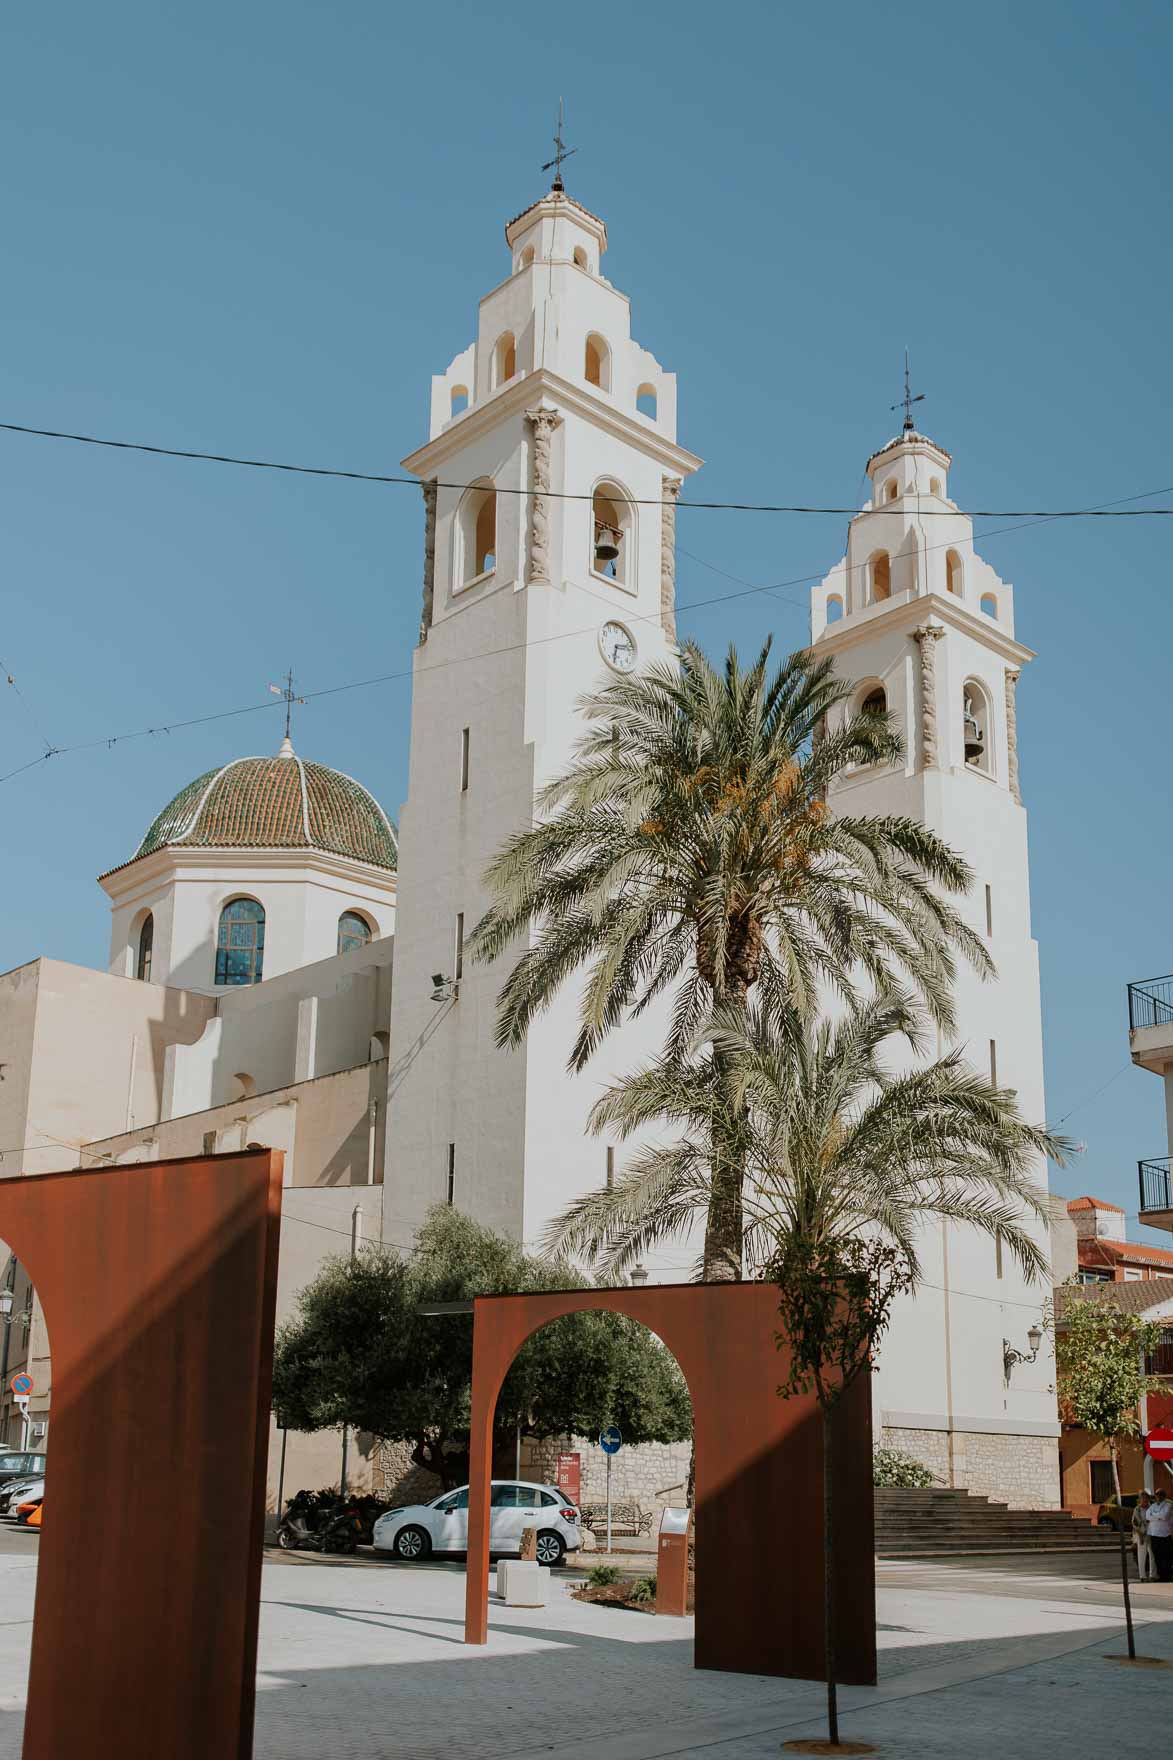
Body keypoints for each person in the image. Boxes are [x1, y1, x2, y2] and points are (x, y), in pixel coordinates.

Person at [1146, 1484, 1173, 1583]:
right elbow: (1148, 1516)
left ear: (1163, 1496)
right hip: (1154, 1534)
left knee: (1166, 1556)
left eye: (1160, 1494)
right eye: (1157, 1495)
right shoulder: (1152, 1506)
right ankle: (1161, 1575)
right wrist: (1158, 1517)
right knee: (1157, 1556)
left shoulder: (1168, 1505)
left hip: (1165, 1534)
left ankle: (1167, 1576)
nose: (1158, 1496)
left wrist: (1155, 1516)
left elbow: (1165, 1516)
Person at [1132, 1491, 1154, 1582]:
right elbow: (1134, 1523)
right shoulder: (1137, 1509)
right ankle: (1142, 1576)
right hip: (1140, 1534)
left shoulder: (1152, 1508)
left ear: (1148, 1498)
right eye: (1142, 1498)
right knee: (1141, 1555)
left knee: (1152, 1555)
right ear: (1140, 1499)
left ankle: (1153, 1574)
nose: (1144, 1500)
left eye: (1146, 1498)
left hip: (1152, 1533)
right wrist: (1140, 1534)